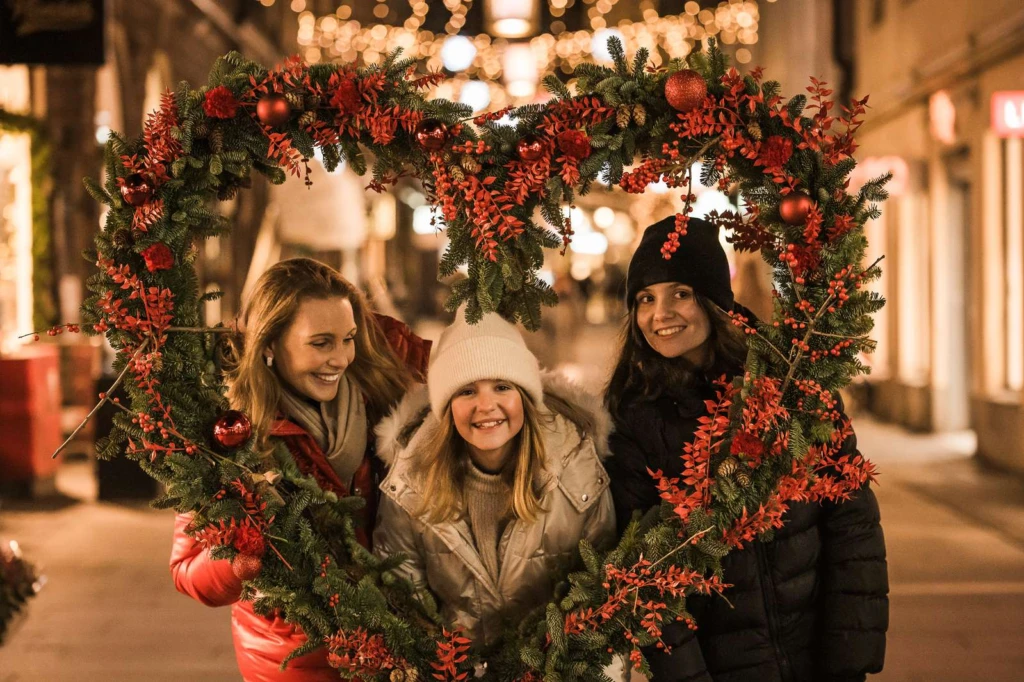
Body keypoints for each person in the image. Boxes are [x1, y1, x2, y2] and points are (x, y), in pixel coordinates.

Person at [604, 217, 888, 682]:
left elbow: (852, 524)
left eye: (680, 293)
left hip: (814, 656)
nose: (660, 313)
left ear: (714, 299)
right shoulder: (633, 419)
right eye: (645, 299)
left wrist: (849, 658)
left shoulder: (789, 384)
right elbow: (643, 573)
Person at [169, 258, 431, 682]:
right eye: (321, 343)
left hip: (391, 641)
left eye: (347, 339)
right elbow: (186, 570)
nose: (341, 358)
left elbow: (466, 365)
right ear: (269, 344)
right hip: (292, 657)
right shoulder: (234, 433)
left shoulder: (377, 391)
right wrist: (241, 559)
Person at [373, 310, 617, 653]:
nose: (486, 405)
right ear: (446, 406)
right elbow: (401, 597)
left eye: (502, 387)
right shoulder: (412, 481)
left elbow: (600, 585)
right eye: (467, 391)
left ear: (525, 396)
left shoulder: (574, 468)